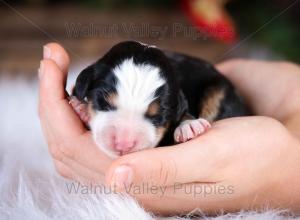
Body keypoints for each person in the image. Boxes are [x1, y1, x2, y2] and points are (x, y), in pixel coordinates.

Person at [38, 43, 300, 215]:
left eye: (152, 118)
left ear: (175, 109)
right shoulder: (92, 82)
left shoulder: (179, 100)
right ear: (87, 86)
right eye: (105, 104)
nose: (124, 140)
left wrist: (187, 121)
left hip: (210, 91)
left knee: (213, 98)